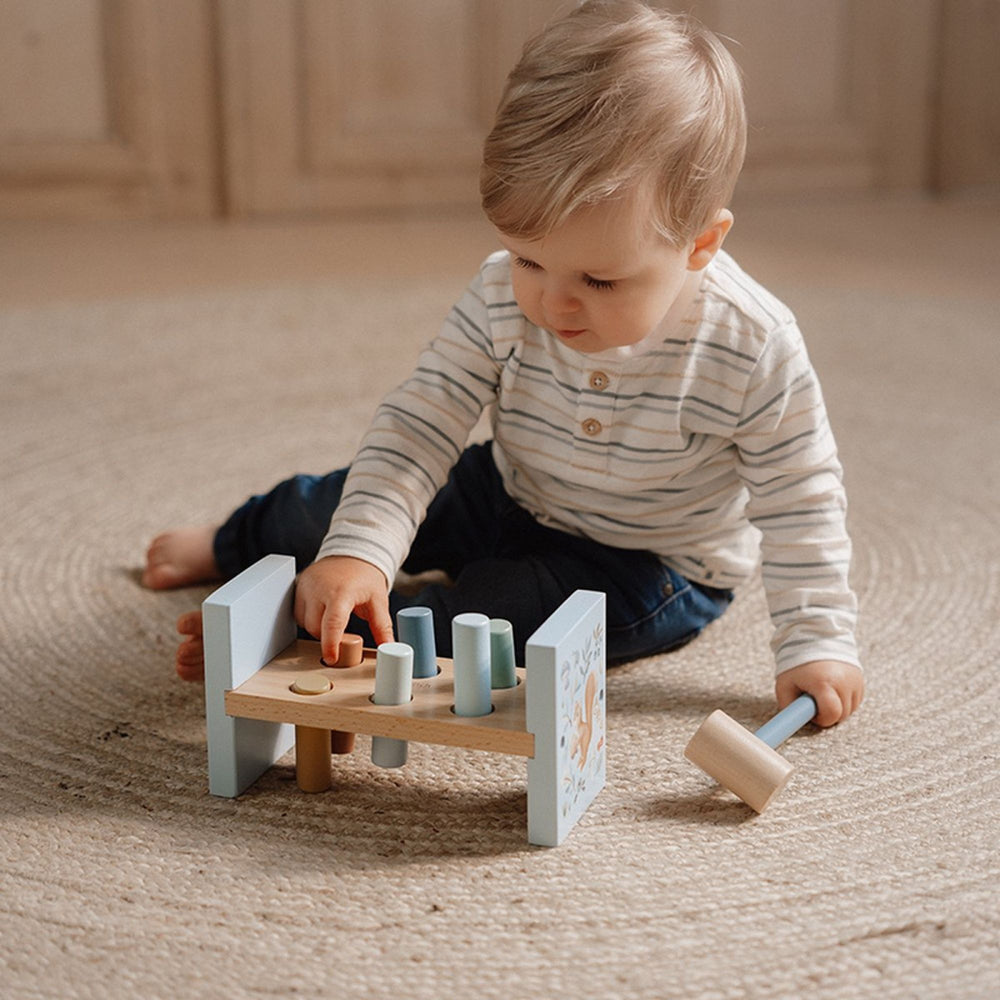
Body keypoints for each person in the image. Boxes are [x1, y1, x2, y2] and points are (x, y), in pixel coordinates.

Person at [143, 0, 863, 726]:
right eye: (529, 258)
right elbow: (423, 421)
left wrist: (817, 639)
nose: (552, 304)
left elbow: (802, 500)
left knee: (489, 622)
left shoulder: (752, 344)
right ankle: (235, 540)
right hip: (509, 488)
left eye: (600, 281)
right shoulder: (501, 294)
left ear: (700, 247)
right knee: (323, 512)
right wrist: (360, 549)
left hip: (646, 564)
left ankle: (304, 639)